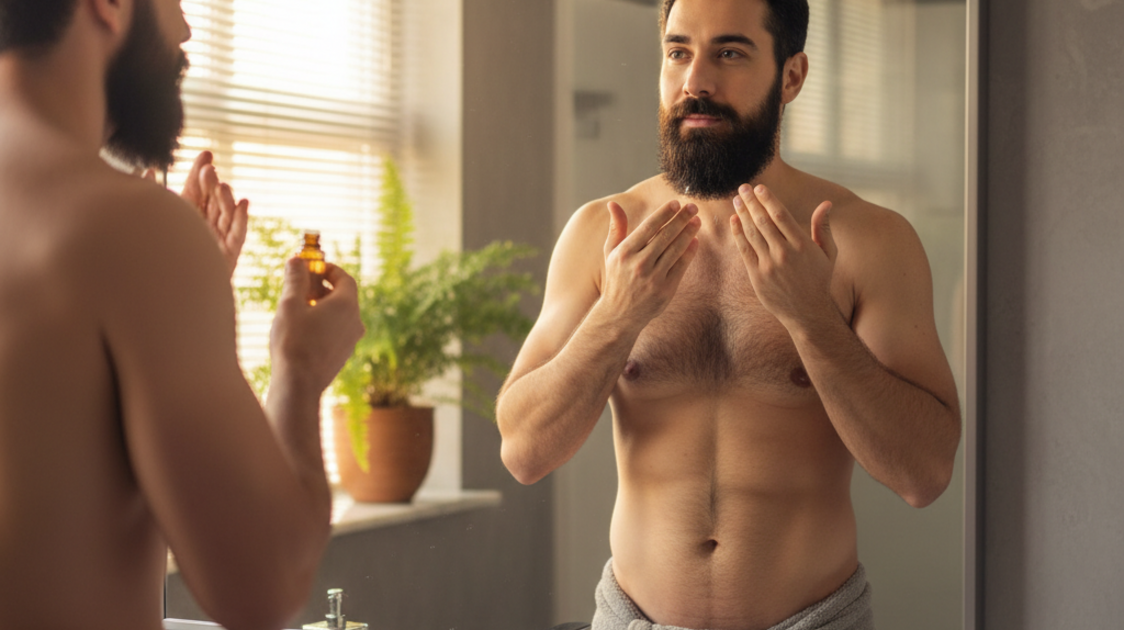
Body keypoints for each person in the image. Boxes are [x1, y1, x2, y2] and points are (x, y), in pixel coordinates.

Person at [496, 0, 961, 628]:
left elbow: (923, 473)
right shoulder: (601, 236)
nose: (696, 82)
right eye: (678, 52)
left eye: (731, 53)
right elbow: (524, 452)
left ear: (791, 76)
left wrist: (811, 319)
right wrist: (618, 317)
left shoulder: (866, 241)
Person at [0, 1, 364, 629]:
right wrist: (299, 371)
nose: (188, 28)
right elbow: (266, 589)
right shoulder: (125, 227)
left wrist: (179, 308)